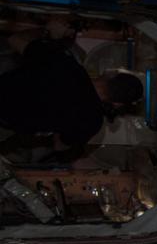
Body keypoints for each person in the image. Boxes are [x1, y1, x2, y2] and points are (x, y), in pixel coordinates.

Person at [0, 36, 143, 158]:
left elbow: (14, 39)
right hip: (5, 122)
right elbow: (59, 146)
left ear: (109, 74)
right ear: (117, 104)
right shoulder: (91, 123)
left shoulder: (67, 64)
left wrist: (47, 32)